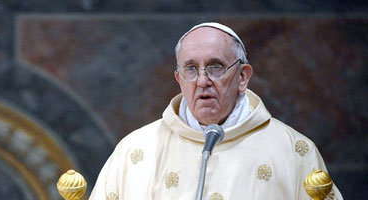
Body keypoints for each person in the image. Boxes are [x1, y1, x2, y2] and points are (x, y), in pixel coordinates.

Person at [89, 22, 343, 199]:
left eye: (215, 67)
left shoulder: (295, 152)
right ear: (178, 78)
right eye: (191, 69)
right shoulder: (134, 151)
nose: (202, 81)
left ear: (243, 77)